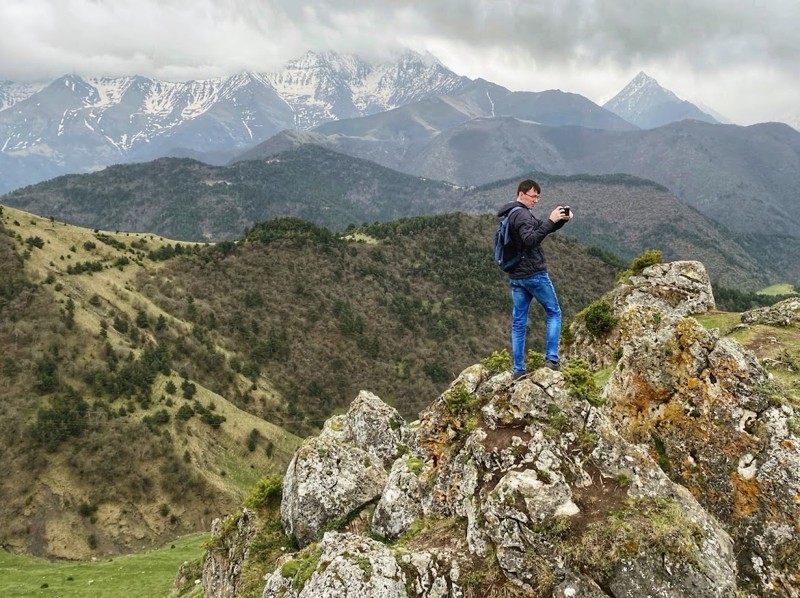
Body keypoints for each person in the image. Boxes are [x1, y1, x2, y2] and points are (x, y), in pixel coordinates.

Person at [497, 179, 572, 377]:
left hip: (517, 277)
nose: (536, 200)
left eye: (538, 196)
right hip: (534, 275)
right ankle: (552, 359)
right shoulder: (522, 214)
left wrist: (559, 220)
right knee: (554, 312)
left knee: (519, 322)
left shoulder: (513, 213)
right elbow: (531, 240)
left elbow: (539, 229)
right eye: (533, 196)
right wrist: (550, 220)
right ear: (521, 194)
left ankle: (518, 370)